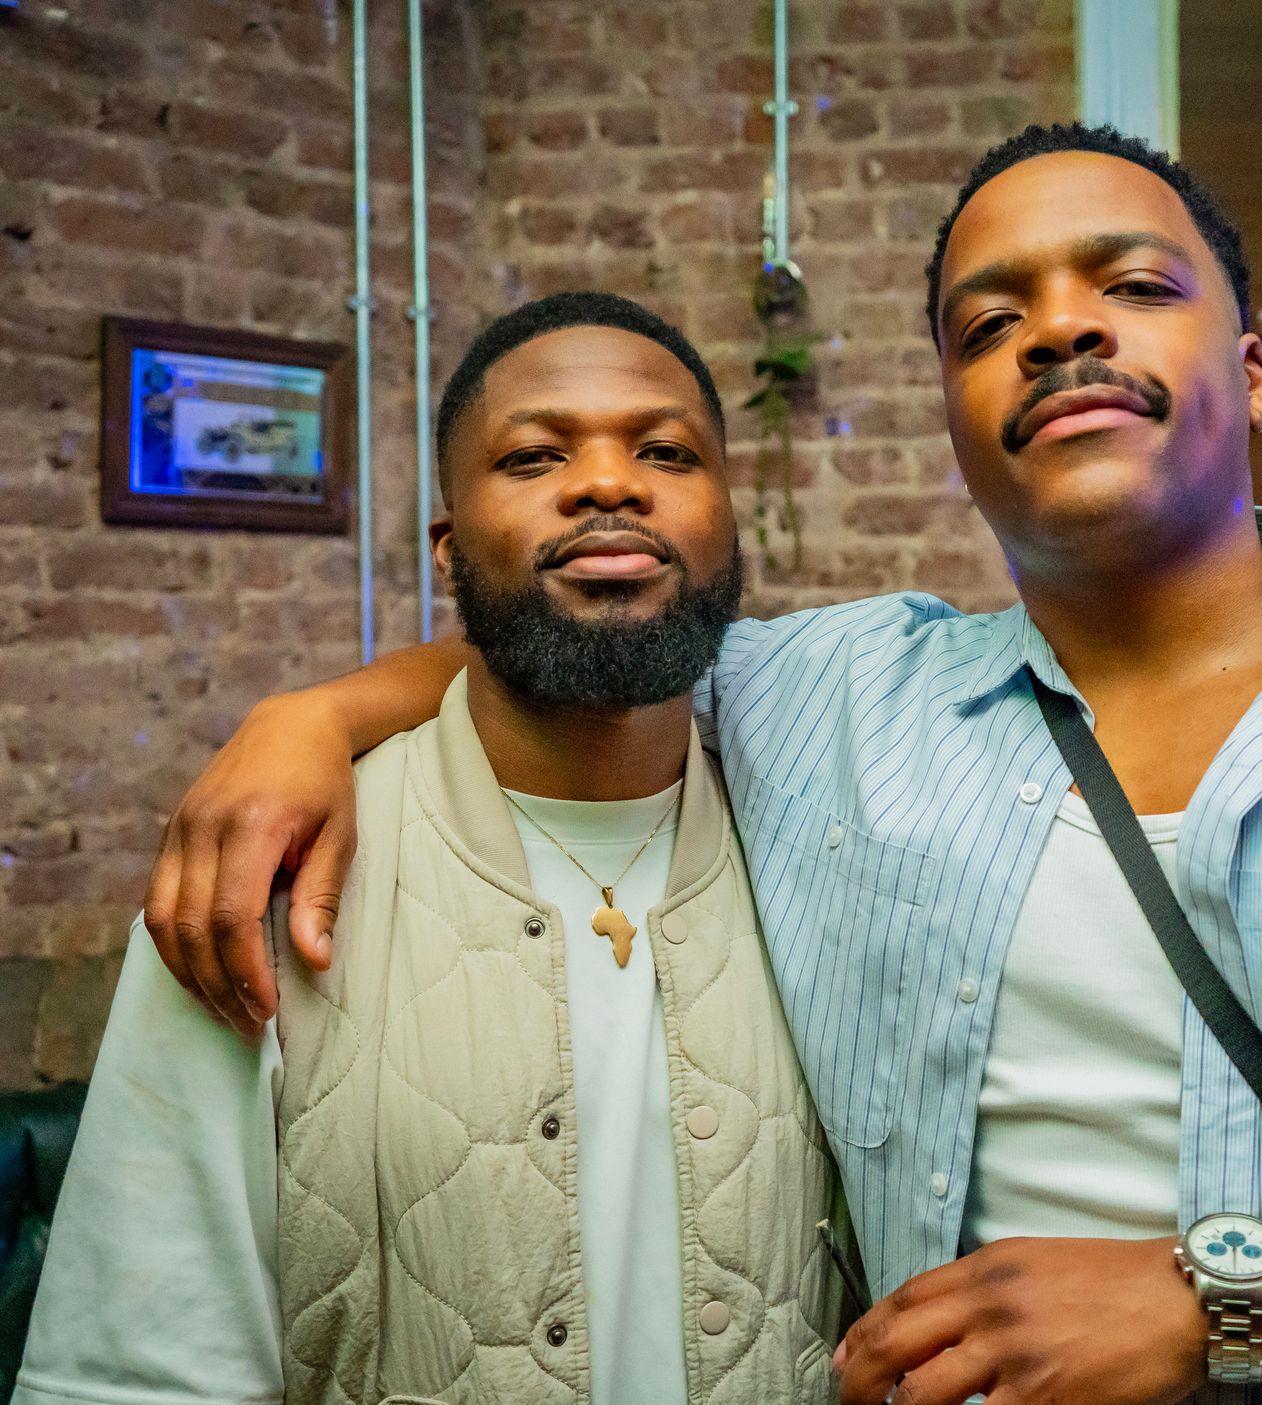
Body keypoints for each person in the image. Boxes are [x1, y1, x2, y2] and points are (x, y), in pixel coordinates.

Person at [141, 125, 1262, 1405]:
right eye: (992, 322)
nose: (1058, 330)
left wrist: (1225, 1306)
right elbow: (588, 633)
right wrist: (312, 720)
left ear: (1255, 367)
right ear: (962, 424)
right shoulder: (832, 698)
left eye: (1130, 286)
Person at [13, 293, 841, 1405]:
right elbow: (137, 1369)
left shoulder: (841, 838)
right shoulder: (264, 879)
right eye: (537, 454)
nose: (609, 482)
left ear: (726, 520)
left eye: (665, 449)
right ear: (450, 548)